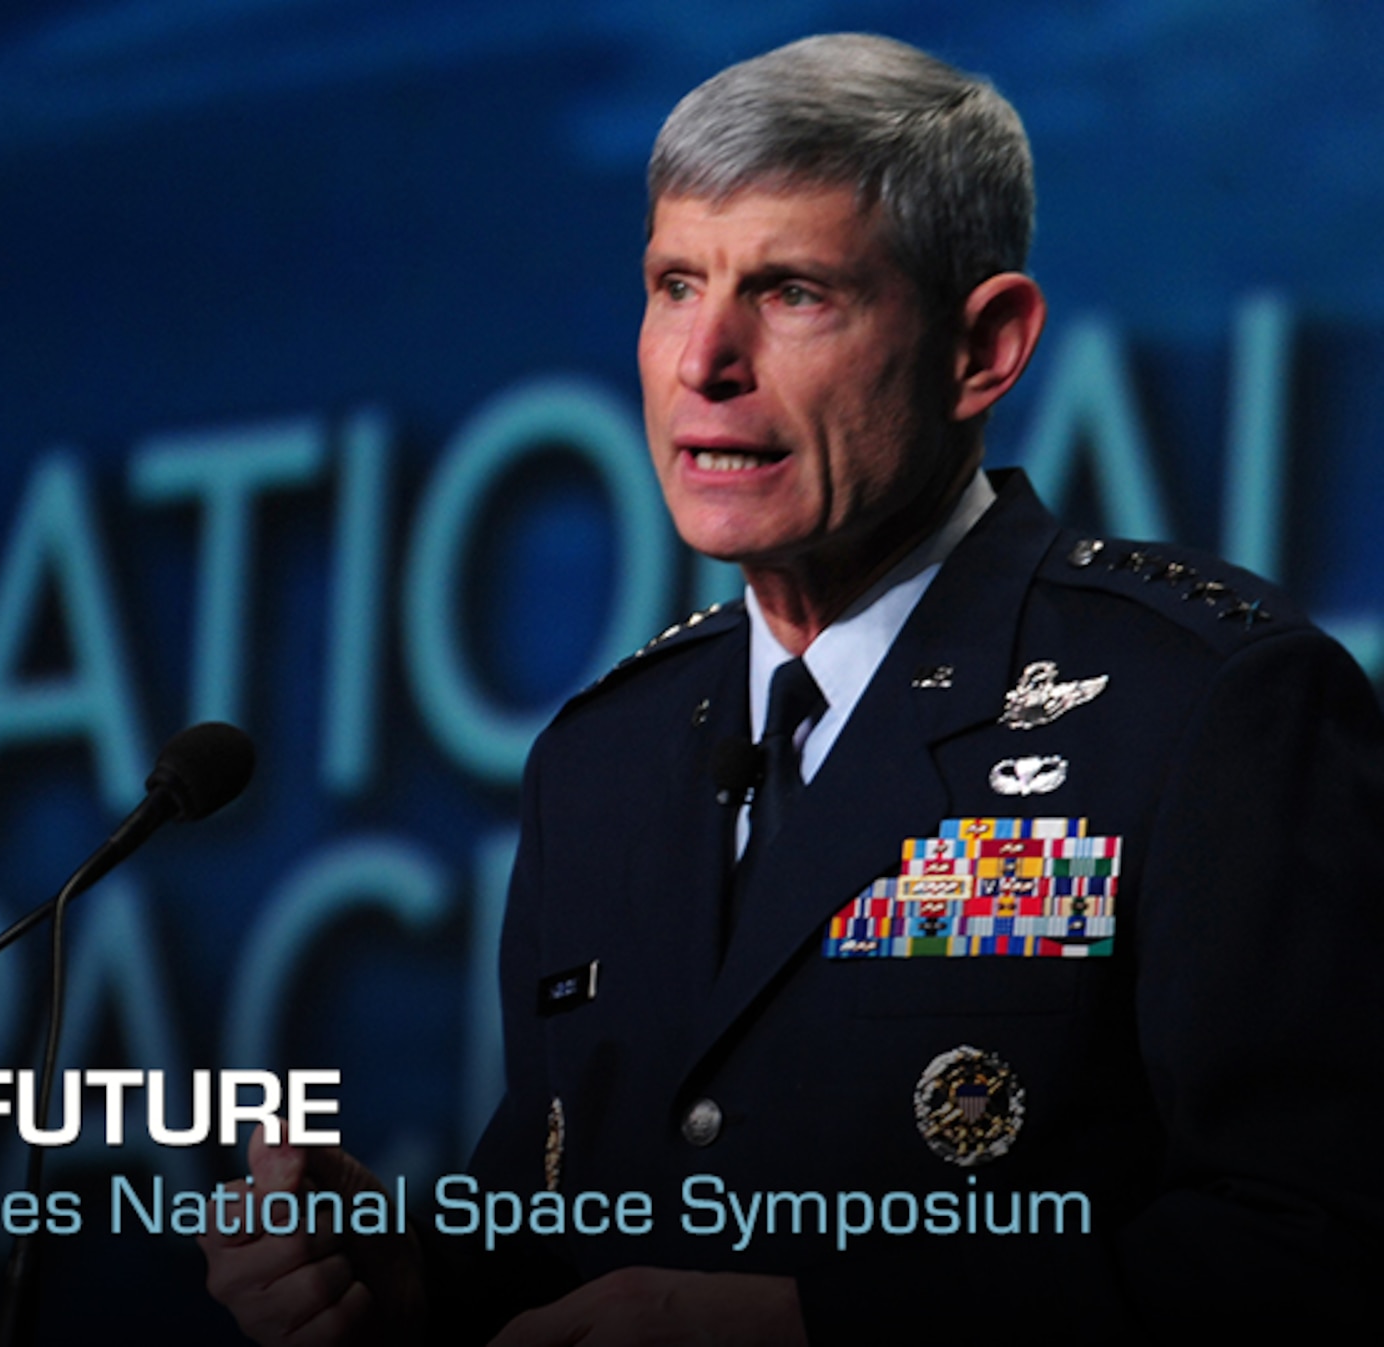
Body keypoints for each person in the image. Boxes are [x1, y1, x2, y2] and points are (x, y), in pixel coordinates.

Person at [201, 32, 1384, 1345]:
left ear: (983, 347)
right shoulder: (601, 761)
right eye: (672, 285)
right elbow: (577, 1225)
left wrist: (815, 1329)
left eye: (792, 292)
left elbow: (1320, 1252)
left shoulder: (1205, 709)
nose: (704, 359)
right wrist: (418, 1280)